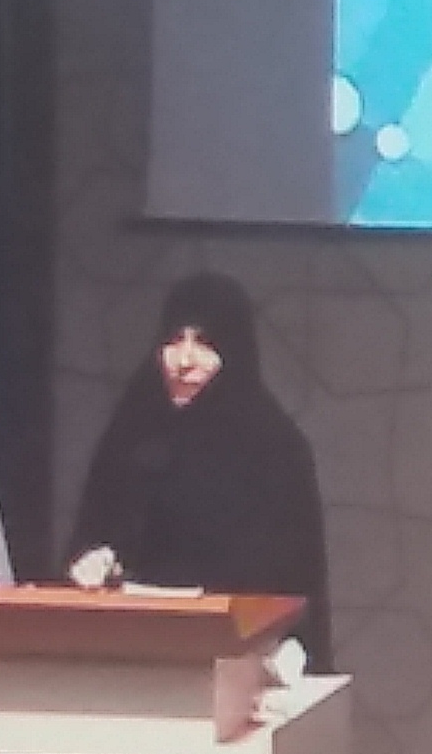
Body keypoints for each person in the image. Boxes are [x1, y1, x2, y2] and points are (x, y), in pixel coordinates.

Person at [63, 271, 336, 671]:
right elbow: (93, 535)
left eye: (205, 344)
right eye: (174, 341)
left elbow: (287, 580)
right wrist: (95, 563)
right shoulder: (130, 435)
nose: (184, 361)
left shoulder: (274, 449)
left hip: (233, 663)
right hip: (124, 658)